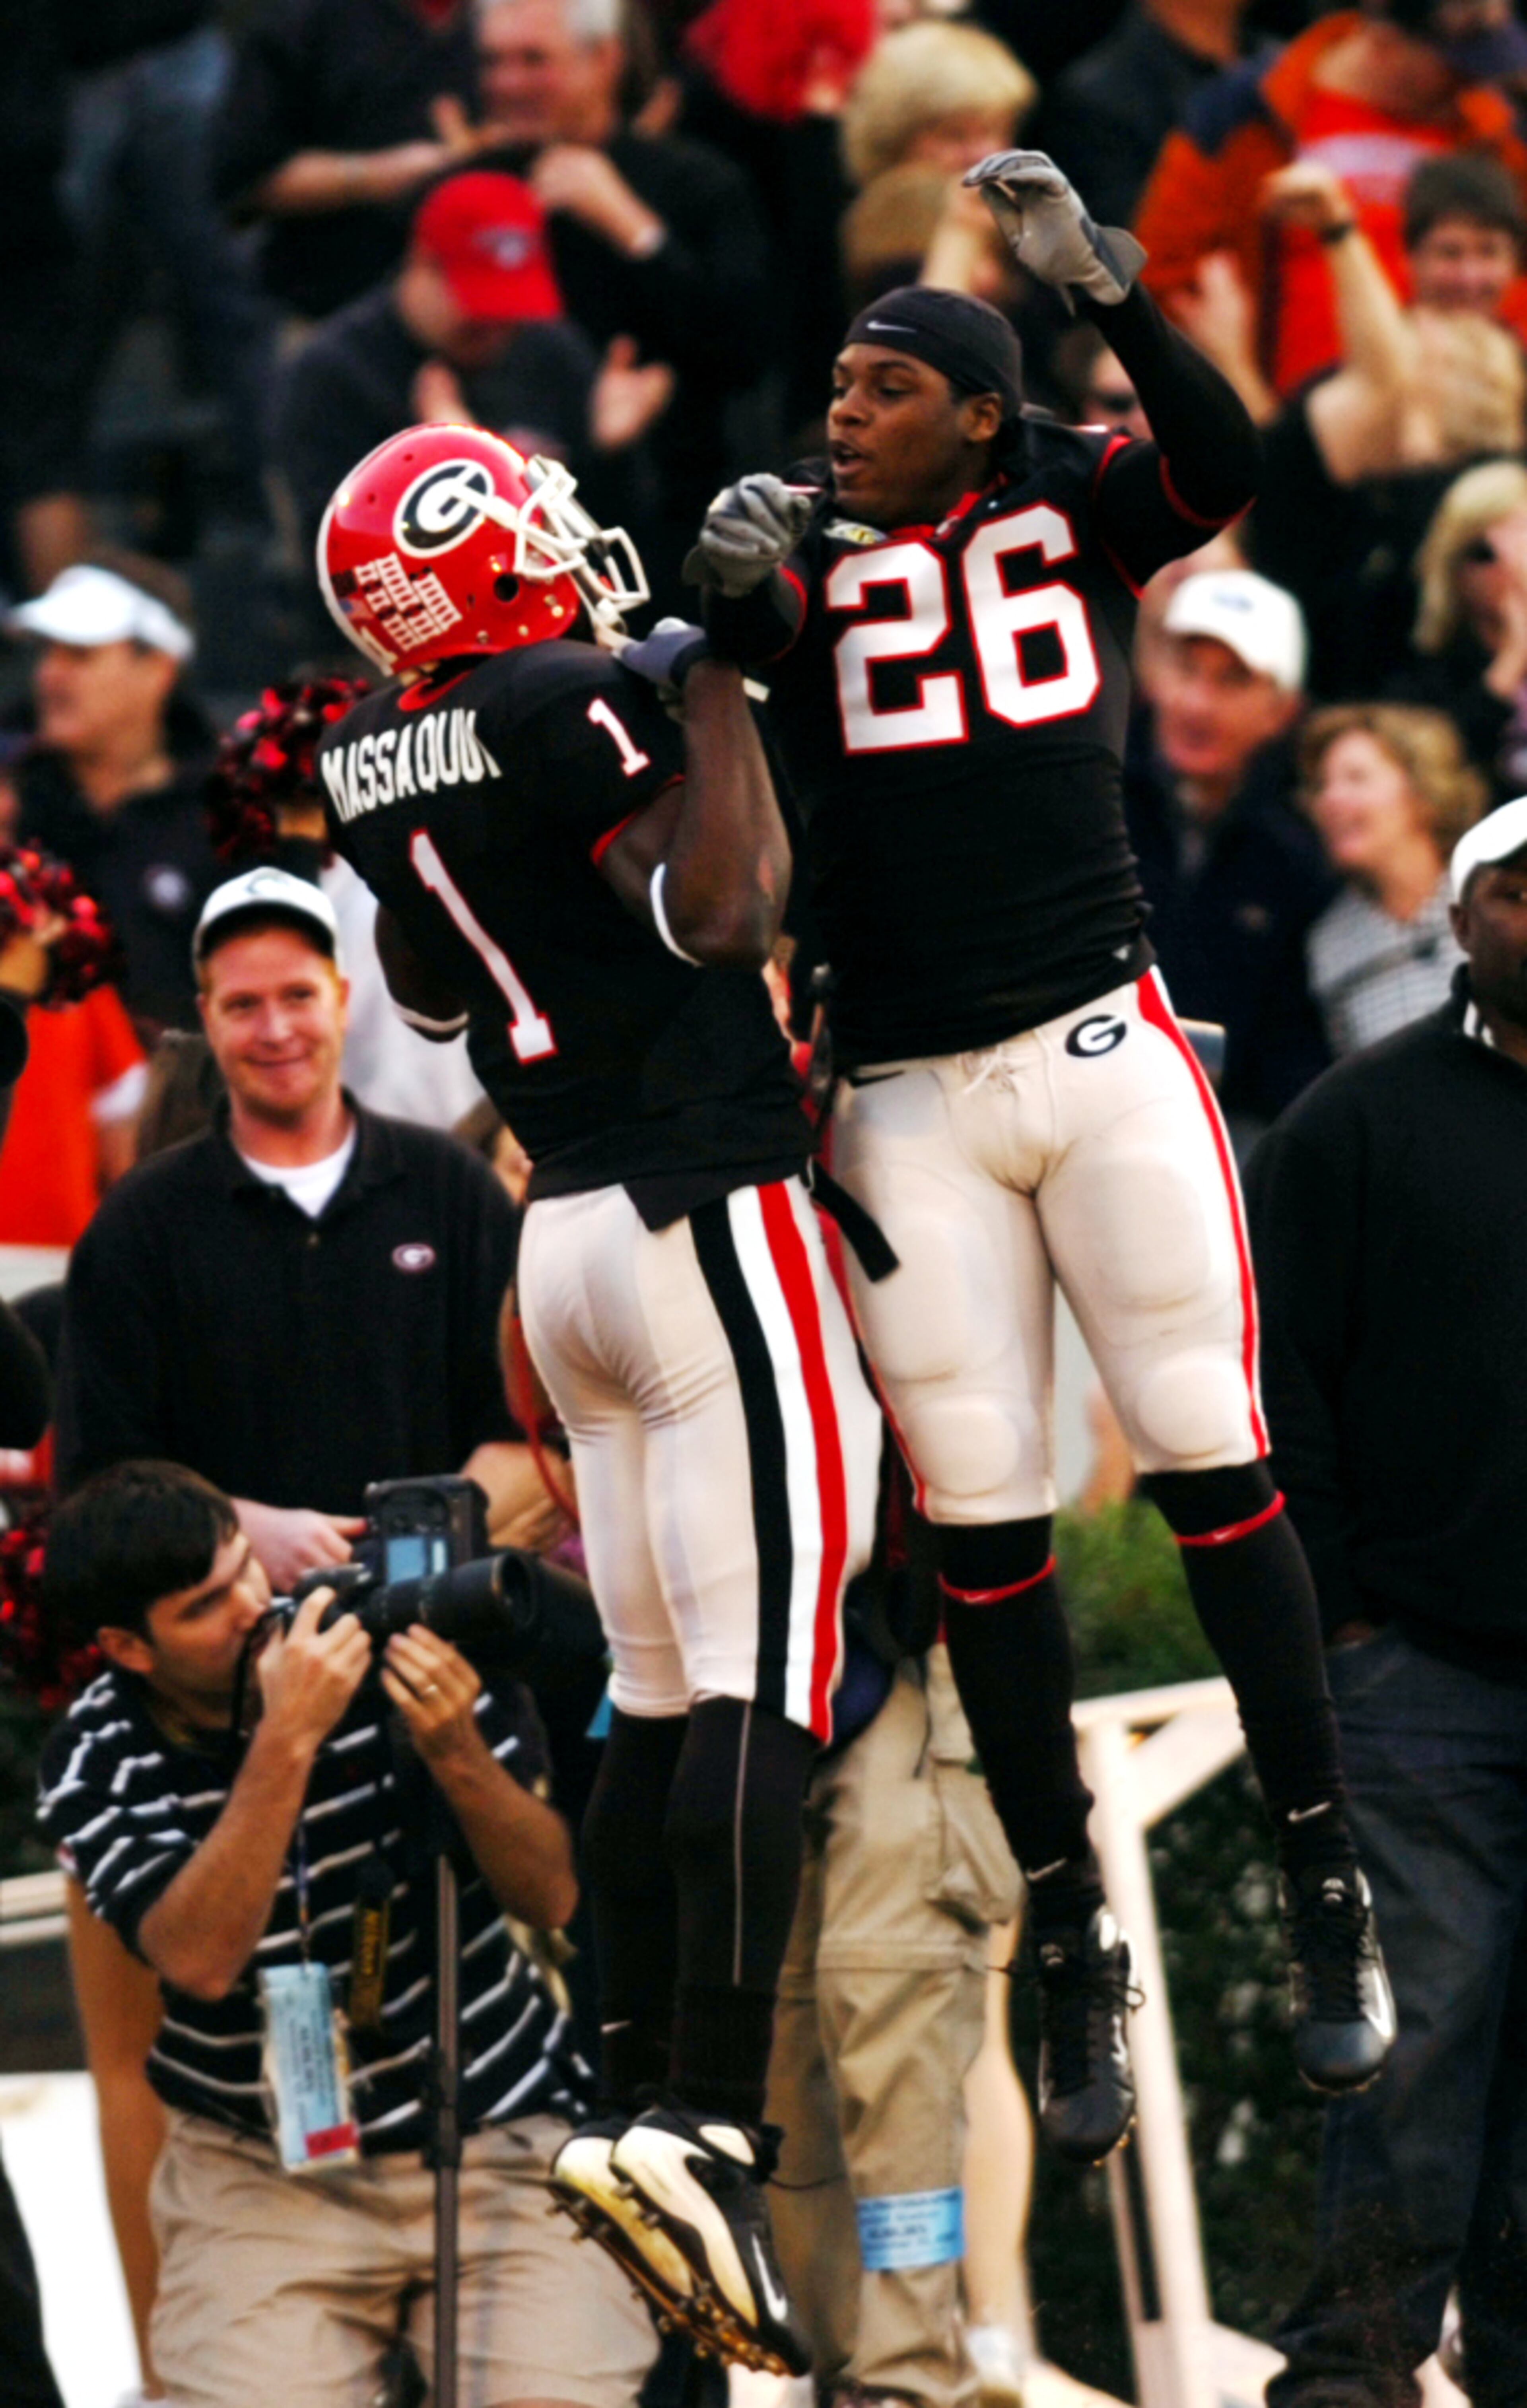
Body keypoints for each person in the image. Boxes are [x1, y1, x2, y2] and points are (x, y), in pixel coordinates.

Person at [688, 148, 1393, 2167]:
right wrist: (722, 600)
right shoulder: (800, 544)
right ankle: (1072, 1915)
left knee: (1205, 1440)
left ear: (985, 412)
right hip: (905, 1084)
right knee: (983, 1511)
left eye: (884, 384)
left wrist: (1115, 290)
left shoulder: (1072, 485)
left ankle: (1322, 1867)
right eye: (829, 381)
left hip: (1099, 1040)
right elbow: (709, 706)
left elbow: (1224, 453)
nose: (841, 408)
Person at [312, 421, 881, 2372]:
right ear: (486, 565)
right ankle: (708, 2118)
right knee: (762, 1672)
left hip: (557, 1229)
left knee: (654, 1689)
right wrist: (714, 665)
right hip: (702, 1209)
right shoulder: (567, 690)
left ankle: (638, 2100)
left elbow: (438, 983)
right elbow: (725, 912)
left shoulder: (377, 748)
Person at [36, 1458, 653, 2408]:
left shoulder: (385, 1635)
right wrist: (286, 1742)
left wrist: (452, 1748)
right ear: (129, 1647)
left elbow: (551, 1895)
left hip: (490, 2124)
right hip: (259, 2169)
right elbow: (197, 1959)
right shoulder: (100, 1751)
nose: (253, 1607)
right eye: (205, 1606)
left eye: (247, 1569)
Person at [1245, 794, 1527, 2408]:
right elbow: (1272, 1391)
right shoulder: (1353, 1121)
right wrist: (1343, 1617)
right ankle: (1349, 2376)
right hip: (1421, 1672)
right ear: (1461, 915)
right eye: (1523, 889)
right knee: (1418, 2039)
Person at [53, 865, 534, 1596]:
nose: (276, 1031)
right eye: (244, 1004)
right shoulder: (139, 1224)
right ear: (207, 1017)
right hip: (229, 1658)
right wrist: (237, 1531)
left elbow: (531, 1434)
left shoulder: (454, 1190)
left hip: (445, 1648)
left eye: (299, 996)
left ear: (341, 1002)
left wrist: (412, 1569)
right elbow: (99, 1479)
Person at [473, 0, 771, 601]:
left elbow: (749, 349)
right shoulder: (469, 188)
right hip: (499, 538)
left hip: (676, 532)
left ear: (605, 59)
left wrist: (629, 224)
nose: (508, 83)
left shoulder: (700, 185)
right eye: (493, 61)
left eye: (534, 60)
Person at [1134, 0, 1527, 400]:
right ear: (1385, 42)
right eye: (1454, 65)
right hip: (1287, 423)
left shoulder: (1492, 128)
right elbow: (1165, 279)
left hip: (1457, 422)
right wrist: (1237, 393)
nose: (1470, 81)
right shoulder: (1245, 114)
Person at [271, 167, 668, 559]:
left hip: (563, 613)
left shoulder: (550, 350)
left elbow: (613, 543)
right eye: (480, 308)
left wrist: (612, 451)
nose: (498, 329)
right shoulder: (335, 373)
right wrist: (454, 474)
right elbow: (335, 566)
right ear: (422, 264)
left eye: (511, 307)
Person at [1125, 567, 1336, 1141]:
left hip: (1226, 1129)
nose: (1198, 702)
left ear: (1283, 709)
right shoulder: (1091, 793)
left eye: (1233, 680)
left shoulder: (1299, 851)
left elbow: (1292, 1045)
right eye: (1188, 670)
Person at [7, 557, 220, 1035]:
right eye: (48, 653)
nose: (49, 675)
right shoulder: (12, 805)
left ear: (159, 669)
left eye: (80, 655)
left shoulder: (227, 817)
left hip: (188, 1100)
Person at [211, 0, 482, 320]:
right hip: (328, 306)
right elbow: (244, 178)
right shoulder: (308, 20)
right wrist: (373, 177)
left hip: (485, 311)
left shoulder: (505, 22)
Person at [1300, 703, 1485, 1055]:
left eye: (1356, 778)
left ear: (1421, 789)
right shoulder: (1329, 946)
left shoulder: (1496, 900)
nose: (1330, 800)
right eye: (1322, 786)